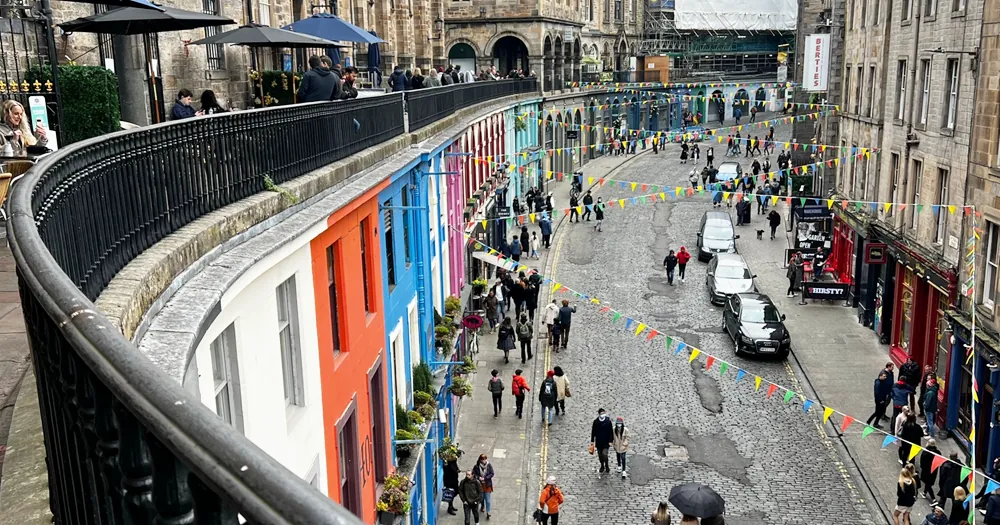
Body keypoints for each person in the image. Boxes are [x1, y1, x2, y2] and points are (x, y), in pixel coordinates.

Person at [590, 408, 614, 474]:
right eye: (601, 413)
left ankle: (606, 465)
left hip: (606, 442)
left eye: (604, 413)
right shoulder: (596, 422)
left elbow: (611, 432)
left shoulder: (608, 421)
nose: (603, 415)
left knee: (604, 454)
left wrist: (611, 441)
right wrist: (592, 441)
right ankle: (602, 465)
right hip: (599, 441)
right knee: (600, 455)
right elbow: (593, 431)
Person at [472, 454, 495, 520]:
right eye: (483, 459)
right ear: (480, 460)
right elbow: (474, 474)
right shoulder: (476, 466)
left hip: (487, 485)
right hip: (479, 485)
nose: (484, 461)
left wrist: (485, 478)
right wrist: (478, 477)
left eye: (485, 459)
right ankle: (482, 506)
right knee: (481, 498)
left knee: (488, 500)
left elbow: (492, 473)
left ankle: (488, 512)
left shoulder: (489, 465)